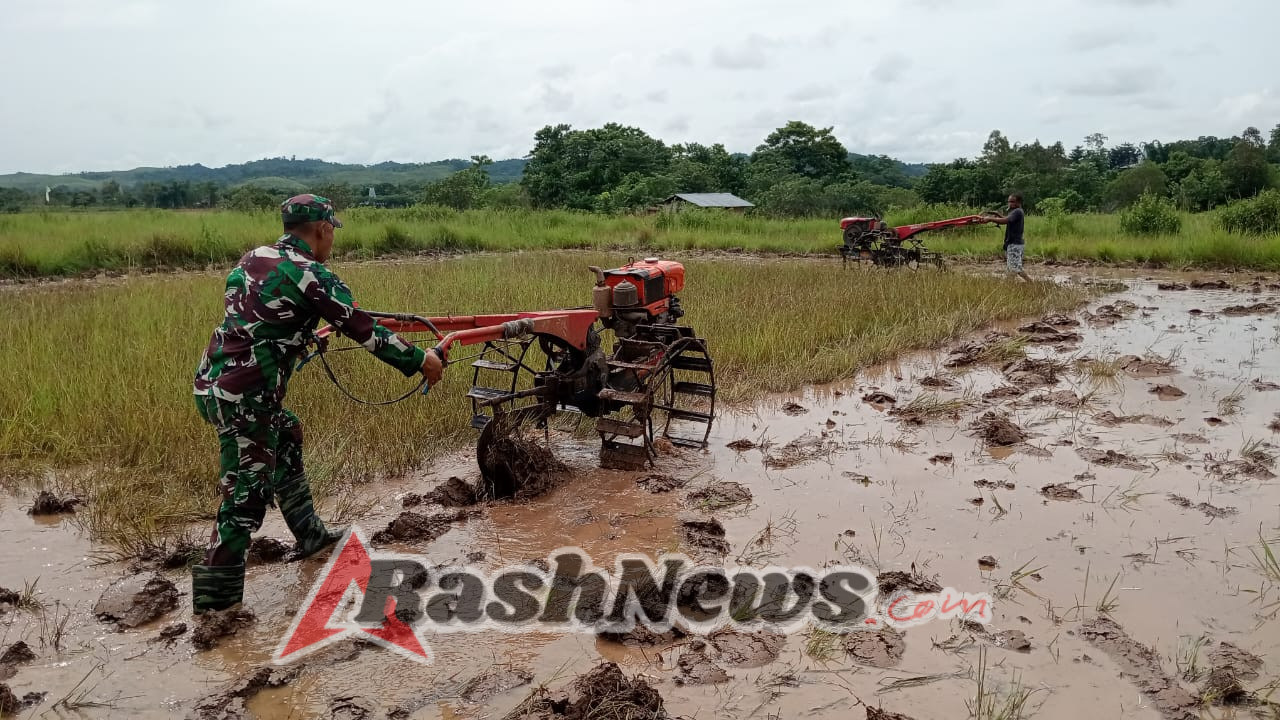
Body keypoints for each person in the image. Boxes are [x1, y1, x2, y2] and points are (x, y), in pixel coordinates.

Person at [189, 194, 445, 614]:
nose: (332, 241)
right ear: (322, 229)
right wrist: (421, 360)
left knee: (286, 433)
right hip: (245, 399)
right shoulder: (312, 274)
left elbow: (259, 318)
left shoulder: (253, 258)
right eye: (332, 232)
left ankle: (311, 537)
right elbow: (364, 329)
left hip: (216, 383)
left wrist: (302, 333)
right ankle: (216, 610)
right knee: (244, 498)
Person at [983, 193, 1031, 282]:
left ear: (1019, 202)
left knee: (1013, 269)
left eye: (1012, 202)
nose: (1010, 203)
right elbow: (1008, 220)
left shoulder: (1017, 211)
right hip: (1015, 244)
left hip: (1014, 244)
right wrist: (997, 215)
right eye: (1009, 201)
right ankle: (1031, 283)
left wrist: (990, 219)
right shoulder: (1016, 212)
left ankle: (1008, 285)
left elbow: (1005, 221)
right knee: (1016, 267)